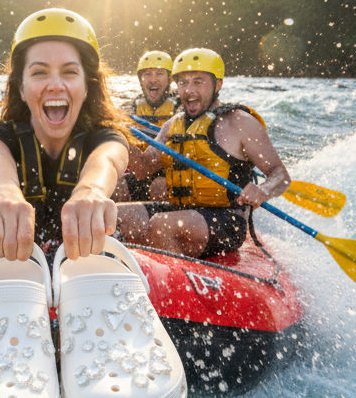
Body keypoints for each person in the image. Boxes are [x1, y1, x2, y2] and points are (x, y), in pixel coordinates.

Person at [0, 8, 130, 398]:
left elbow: (106, 164)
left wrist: (90, 191)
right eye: (38, 72)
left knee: (82, 271)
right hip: (22, 254)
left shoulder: (105, 138)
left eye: (69, 72)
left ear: (88, 86)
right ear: (21, 88)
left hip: (75, 255)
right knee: (19, 279)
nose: (53, 84)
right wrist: (0, 195)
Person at [117, 47, 291, 257]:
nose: (189, 90)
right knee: (115, 214)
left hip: (227, 220)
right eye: (183, 82)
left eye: (198, 82)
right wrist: (116, 133)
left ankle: (173, 279)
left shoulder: (240, 122)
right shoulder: (172, 125)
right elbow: (144, 168)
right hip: (181, 209)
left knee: (161, 225)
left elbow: (280, 175)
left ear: (218, 84)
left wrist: (263, 190)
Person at [120, 50, 176, 201]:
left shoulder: (181, 109)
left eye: (159, 73)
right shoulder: (128, 109)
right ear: (140, 80)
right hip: (138, 171)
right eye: (147, 74)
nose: (153, 80)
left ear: (170, 78)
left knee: (159, 187)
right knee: (117, 187)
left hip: (168, 174)